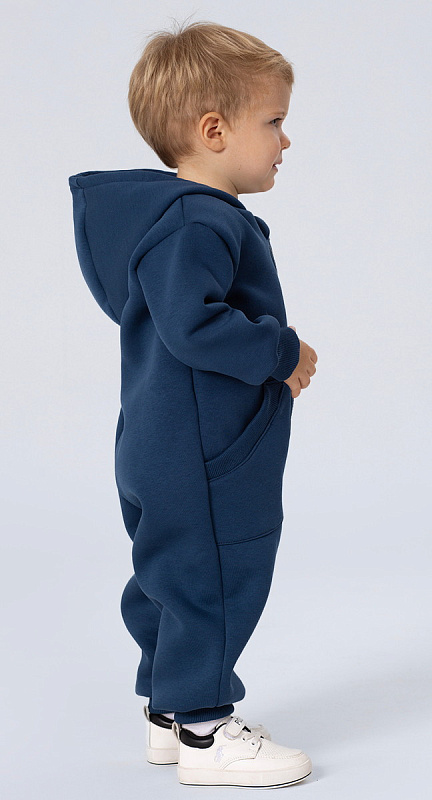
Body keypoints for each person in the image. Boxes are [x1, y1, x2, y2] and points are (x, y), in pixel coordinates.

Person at [68, 18, 317, 789]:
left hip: (162, 439)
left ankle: (168, 714)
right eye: (273, 121)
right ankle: (208, 732)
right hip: (203, 450)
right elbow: (194, 325)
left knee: (169, 576)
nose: (285, 141)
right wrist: (281, 352)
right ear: (214, 131)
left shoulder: (166, 221)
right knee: (214, 577)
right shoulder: (199, 222)